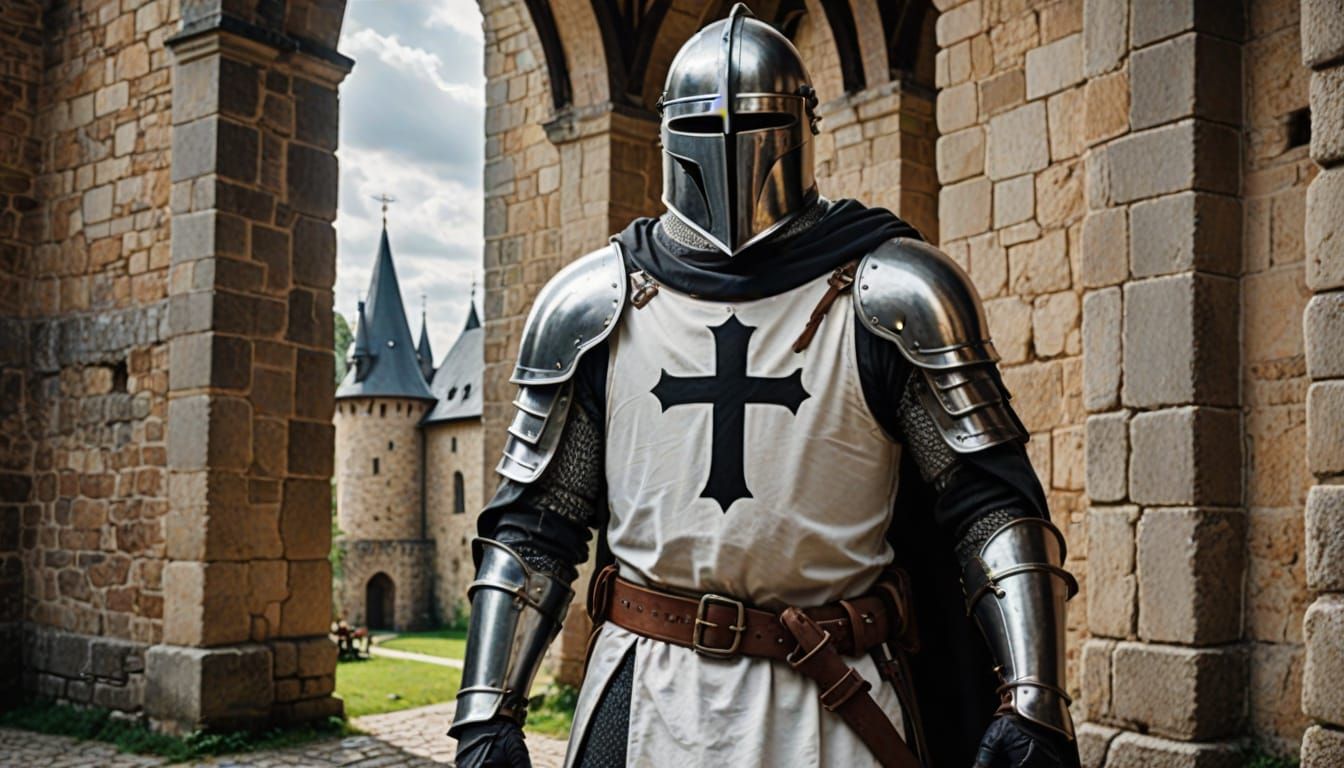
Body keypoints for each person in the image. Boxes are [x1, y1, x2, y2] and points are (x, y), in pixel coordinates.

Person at [450, 6, 1081, 767]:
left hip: (838, 698)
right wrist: (488, 711)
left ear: (800, 129)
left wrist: (1035, 698)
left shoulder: (892, 295)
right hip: (645, 688)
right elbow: (535, 527)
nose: (728, 150)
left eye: (750, 124)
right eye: (706, 127)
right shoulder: (592, 306)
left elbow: (989, 504)